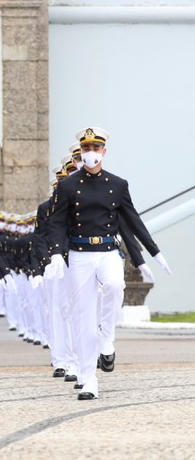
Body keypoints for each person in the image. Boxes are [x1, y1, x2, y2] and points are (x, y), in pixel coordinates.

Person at [46, 127, 171, 400]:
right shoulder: (67, 186)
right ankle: (89, 378)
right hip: (79, 255)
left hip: (107, 251)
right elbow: (56, 222)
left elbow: (132, 220)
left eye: (95, 148)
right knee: (82, 317)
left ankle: (106, 337)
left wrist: (154, 252)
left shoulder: (117, 184)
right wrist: (56, 253)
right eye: (86, 149)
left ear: (104, 151)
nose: (90, 154)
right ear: (81, 152)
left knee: (115, 287)